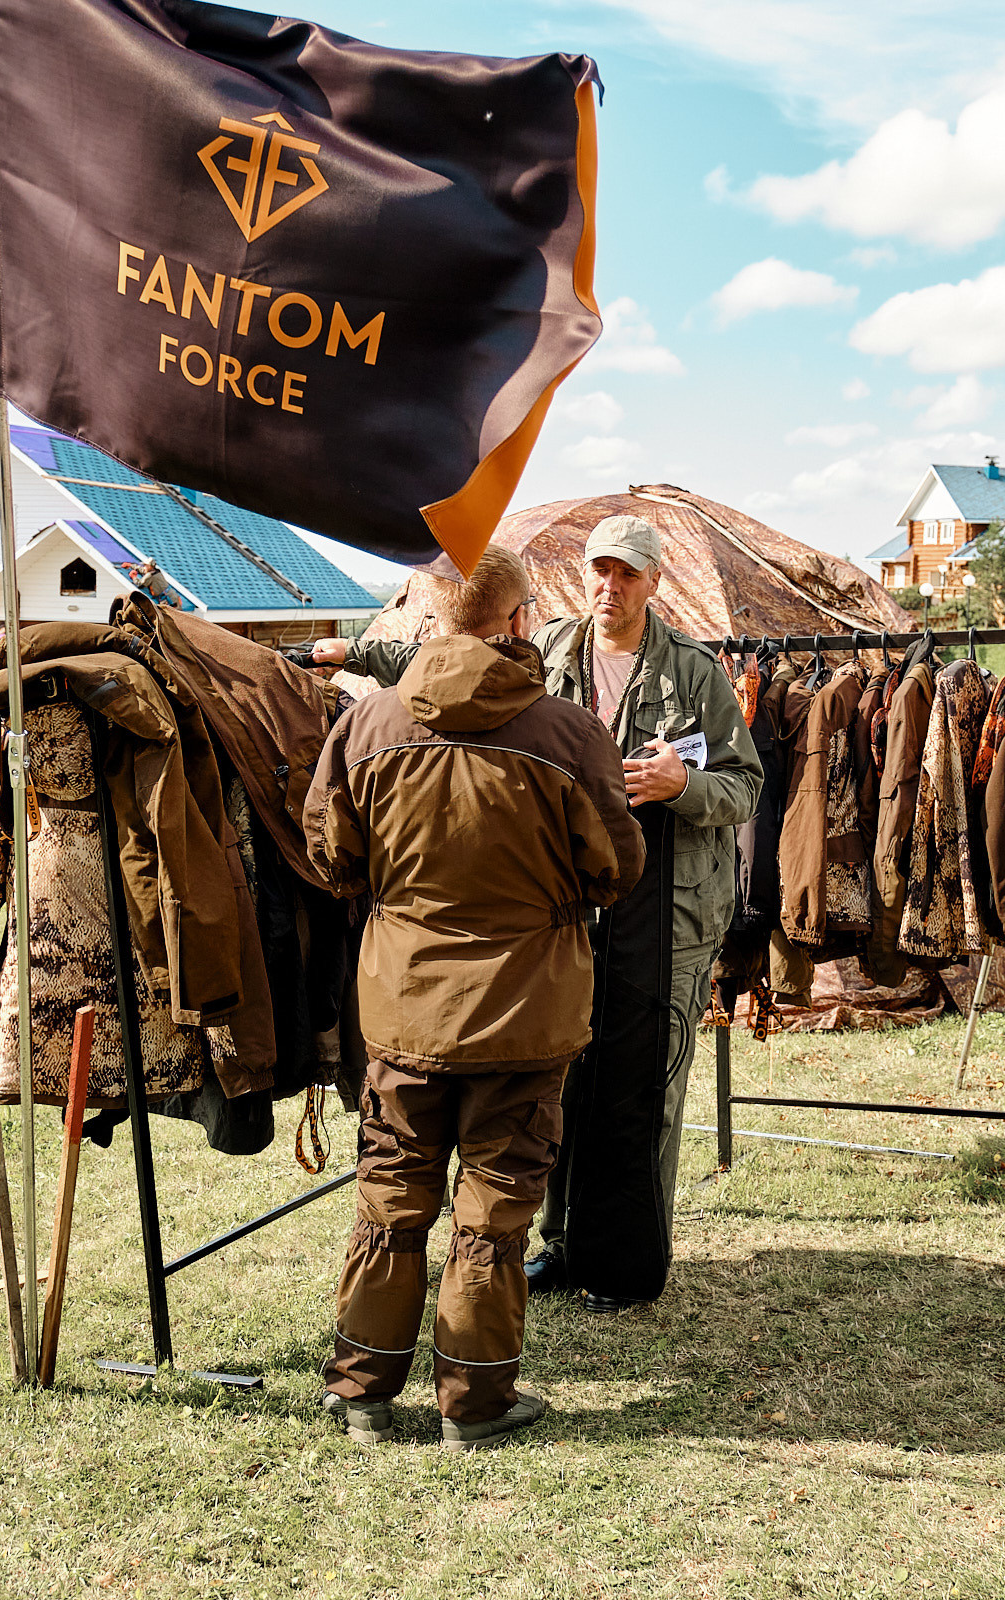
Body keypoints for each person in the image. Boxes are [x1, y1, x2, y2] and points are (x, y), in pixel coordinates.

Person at [312, 514, 761, 1311]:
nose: (609, 587)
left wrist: (683, 786)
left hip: (668, 914)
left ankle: (626, 1259)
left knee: (643, 1086)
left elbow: (746, 786)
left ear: (655, 582)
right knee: (561, 1082)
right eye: (600, 570)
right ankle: (560, 1244)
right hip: (568, 911)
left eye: (627, 573)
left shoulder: (694, 675)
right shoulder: (547, 651)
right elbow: (442, 659)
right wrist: (349, 653)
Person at [305, 546, 644, 1451]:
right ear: (520, 619)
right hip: (526, 1014)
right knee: (494, 1208)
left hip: (404, 1004)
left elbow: (329, 855)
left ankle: (362, 1392)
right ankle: (474, 1404)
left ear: (432, 621)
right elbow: (617, 867)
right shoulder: (570, 735)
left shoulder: (366, 724)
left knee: (391, 1192)